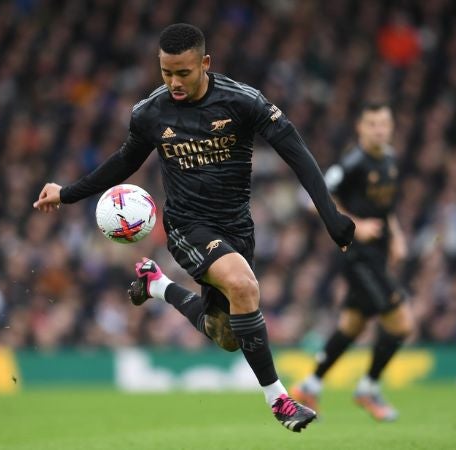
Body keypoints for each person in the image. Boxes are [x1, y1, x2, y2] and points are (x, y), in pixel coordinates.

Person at [33, 23, 355, 432]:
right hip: (187, 225)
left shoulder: (242, 101)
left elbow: (296, 152)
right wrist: (68, 193)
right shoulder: (151, 112)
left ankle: (157, 285)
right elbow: (124, 162)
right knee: (243, 285)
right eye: (166, 72)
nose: (174, 82)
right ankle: (280, 402)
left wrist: (330, 215)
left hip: (237, 228)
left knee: (226, 334)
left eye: (183, 72)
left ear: (205, 63)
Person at [291, 102, 413, 422]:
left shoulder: (390, 159)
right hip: (357, 257)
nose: (379, 130)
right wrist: (354, 222)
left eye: (384, 124)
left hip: (379, 255)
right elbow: (312, 198)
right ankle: (368, 389)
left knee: (352, 325)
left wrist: (397, 236)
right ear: (360, 127)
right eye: (372, 124)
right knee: (401, 323)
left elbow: (386, 207)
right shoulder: (350, 163)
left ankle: (309, 384)